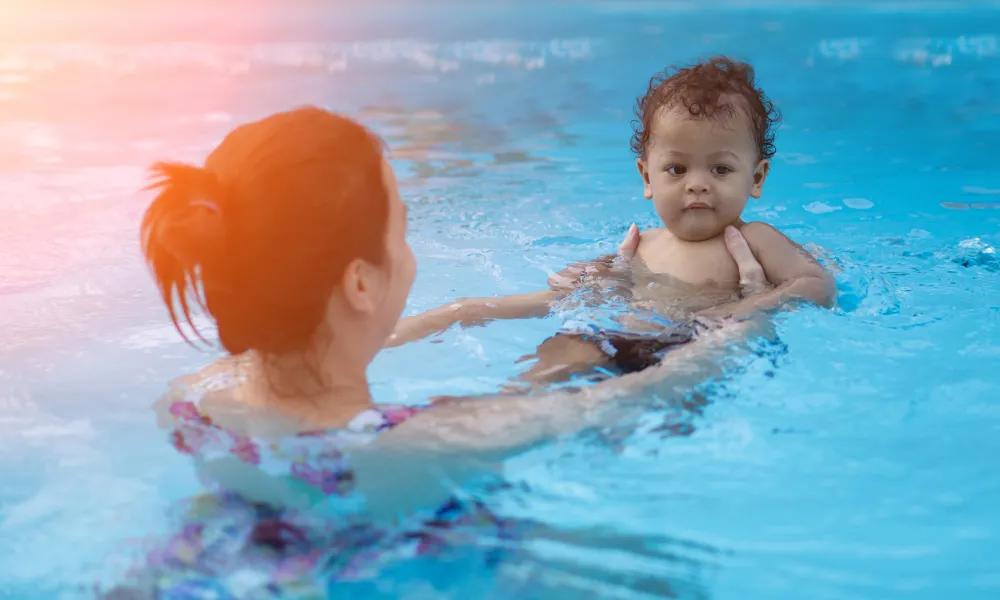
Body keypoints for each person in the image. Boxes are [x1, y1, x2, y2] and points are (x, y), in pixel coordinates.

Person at [108, 106, 774, 597]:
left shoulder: (195, 398)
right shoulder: (429, 441)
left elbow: (300, 354)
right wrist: (742, 321)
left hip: (205, 565)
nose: (409, 248)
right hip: (388, 564)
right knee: (662, 574)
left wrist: (441, 320)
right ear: (362, 283)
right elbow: (640, 395)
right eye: (403, 228)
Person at [387, 56, 835, 390]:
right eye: (677, 170)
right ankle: (452, 337)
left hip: (689, 349)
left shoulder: (754, 240)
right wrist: (584, 275)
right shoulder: (643, 244)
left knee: (647, 406)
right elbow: (598, 282)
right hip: (611, 331)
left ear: (755, 178)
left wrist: (734, 313)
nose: (697, 186)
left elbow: (815, 286)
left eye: (720, 170)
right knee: (538, 375)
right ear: (646, 176)